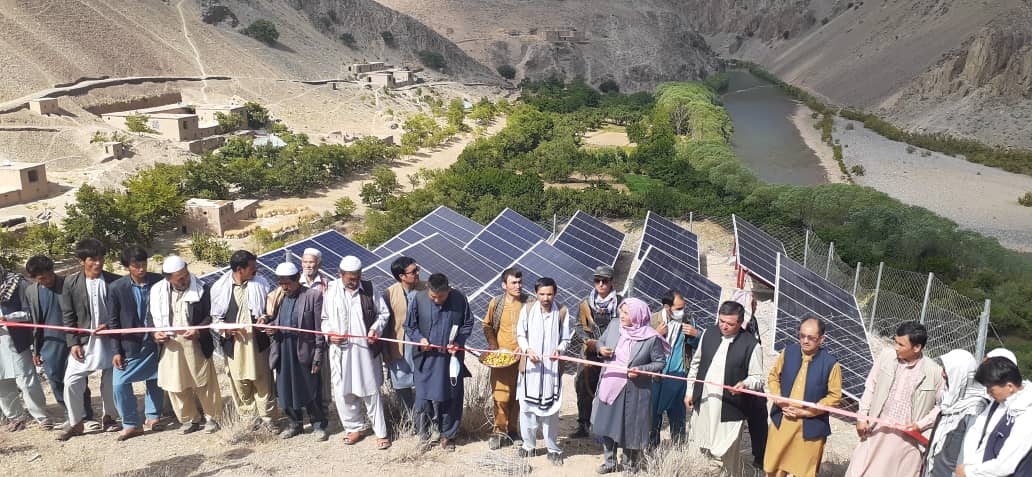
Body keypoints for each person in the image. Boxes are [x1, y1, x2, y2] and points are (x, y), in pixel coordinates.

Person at [845, 321, 944, 477]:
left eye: (901, 345)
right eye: (895, 342)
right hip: (876, 431)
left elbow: (942, 406)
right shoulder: (886, 357)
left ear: (917, 347)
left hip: (907, 443)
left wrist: (920, 425)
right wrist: (862, 417)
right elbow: (870, 386)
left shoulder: (934, 372)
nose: (896, 347)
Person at [684, 300, 765, 476]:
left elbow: (758, 378)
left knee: (729, 456)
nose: (724, 326)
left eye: (730, 324)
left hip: (731, 410)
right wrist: (690, 390)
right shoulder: (708, 334)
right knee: (701, 449)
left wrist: (745, 384)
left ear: (740, 323)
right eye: (721, 321)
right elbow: (696, 364)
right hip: (704, 404)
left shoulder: (751, 345)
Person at [321, 256, 392, 449]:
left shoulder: (369, 289)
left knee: (370, 391)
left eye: (357, 278)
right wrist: (330, 335)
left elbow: (383, 313)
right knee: (343, 391)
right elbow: (325, 318)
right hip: (340, 351)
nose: (355, 282)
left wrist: (375, 329)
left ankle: (381, 432)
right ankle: (354, 429)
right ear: (340, 275)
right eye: (351, 278)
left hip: (365, 352)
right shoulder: (331, 290)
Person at [592, 298, 669, 474]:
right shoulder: (614, 325)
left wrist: (641, 370)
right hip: (610, 386)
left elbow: (659, 362)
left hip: (634, 390)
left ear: (637, 315)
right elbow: (600, 342)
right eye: (622, 311)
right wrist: (601, 350)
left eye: (627, 313)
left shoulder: (650, 338)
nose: (622, 315)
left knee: (630, 429)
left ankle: (629, 465)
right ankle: (610, 462)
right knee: (608, 426)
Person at [57, 238, 121, 441]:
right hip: (84, 341)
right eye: (93, 259)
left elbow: (123, 313)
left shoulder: (115, 281)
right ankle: (76, 423)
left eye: (101, 258)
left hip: (112, 340)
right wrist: (73, 342)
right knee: (71, 381)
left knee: (111, 380)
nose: (98, 263)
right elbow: (68, 315)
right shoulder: (70, 283)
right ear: (82, 261)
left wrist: (110, 326)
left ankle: (109, 417)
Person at [150, 256, 223, 434]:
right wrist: (155, 333)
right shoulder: (157, 291)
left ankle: (213, 417)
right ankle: (189, 419)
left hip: (195, 343)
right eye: (179, 278)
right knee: (176, 384)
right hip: (170, 344)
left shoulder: (202, 289)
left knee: (203, 382)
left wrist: (198, 330)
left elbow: (209, 315)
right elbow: (150, 317)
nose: (185, 280)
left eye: (185, 275)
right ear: (169, 278)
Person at [763, 318, 842, 477]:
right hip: (783, 421)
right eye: (802, 336)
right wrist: (780, 400)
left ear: (821, 339)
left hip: (809, 428)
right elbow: (773, 377)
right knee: (774, 468)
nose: (805, 341)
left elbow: (835, 396)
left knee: (804, 472)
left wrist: (806, 412)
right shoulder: (788, 352)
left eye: (811, 338)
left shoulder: (831, 364)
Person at [404, 273, 473, 451]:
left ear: (448, 291)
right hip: (425, 359)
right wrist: (420, 339)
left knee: (451, 397)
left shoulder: (459, 299)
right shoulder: (419, 299)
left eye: (440, 297)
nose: (436, 300)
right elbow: (409, 326)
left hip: (450, 360)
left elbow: (467, 324)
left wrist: (459, 342)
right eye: (433, 296)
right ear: (428, 289)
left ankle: (447, 436)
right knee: (423, 399)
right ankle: (424, 436)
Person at [25, 255, 92, 426]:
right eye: (41, 279)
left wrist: (81, 339)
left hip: (73, 341)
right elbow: (34, 322)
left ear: (53, 271)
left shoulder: (69, 284)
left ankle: (86, 415)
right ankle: (69, 412)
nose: (46, 280)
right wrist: (36, 350)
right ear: (33, 278)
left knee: (77, 379)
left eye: (48, 276)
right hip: (48, 342)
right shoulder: (31, 292)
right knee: (55, 379)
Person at [210, 250, 275, 429]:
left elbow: (269, 311)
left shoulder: (261, 283)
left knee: (263, 381)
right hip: (235, 345)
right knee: (240, 383)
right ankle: (249, 419)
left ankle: (268, 419)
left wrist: (265, 318)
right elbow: (215, 319)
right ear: (240, 269)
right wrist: (226, 331)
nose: (256, 270)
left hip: (257, 344)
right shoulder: (220, 288)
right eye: (252, 268)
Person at [107, 245, 164, 440]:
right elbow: (113, 321)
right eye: (136, 265)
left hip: (157, 342)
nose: (141, 268)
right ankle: (131, 423)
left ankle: (153, 417)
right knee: (119, 384)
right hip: (130, 344)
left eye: (144, 263)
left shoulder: (160, 281)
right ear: (127, 267)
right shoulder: (116, 288)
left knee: (155, 379)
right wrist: (116, 350)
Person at [265, 262, 327, 440]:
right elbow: (278, 319)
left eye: (288, 283)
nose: (284, 287)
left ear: (297, 279)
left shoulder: (313, 296)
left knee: (311, 389)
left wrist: (317, 356)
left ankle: (318, 425)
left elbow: (318, 330)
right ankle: (295, 424)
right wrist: (272, 327)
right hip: (284, 350)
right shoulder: (280, 296)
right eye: (281, 283)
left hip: (304, 351)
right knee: (285, 389)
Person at [516, 277, 571, 466]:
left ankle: (553, 448)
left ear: (555, 293)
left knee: (550, 412)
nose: (545, 298)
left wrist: (560, 349)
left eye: (549, 294)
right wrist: (528, 350)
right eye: (542, 294)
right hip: (530, 369)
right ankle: (528, 445)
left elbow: (566, 339)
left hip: (551, 370)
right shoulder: (528, 309)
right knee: (527, 410)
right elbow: (520, 334)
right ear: (536, 293)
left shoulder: (562, 311)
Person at [484, 267, 534, 449]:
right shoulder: (496, 303)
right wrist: (493, 346)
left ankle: (513, 431)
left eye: (520, 282)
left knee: (518, 397)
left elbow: (537, 328)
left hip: (523, 359)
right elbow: (487, 325)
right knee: (500, 396)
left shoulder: (530, 303)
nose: (518, 286)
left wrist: (526, 345)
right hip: (502, 360)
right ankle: (498, 432)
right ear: (504, 285)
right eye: (514, 282)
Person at [957, 357, 1032, 477]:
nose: (988, 393)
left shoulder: (1027, 414)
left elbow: (1005, 465)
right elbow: (977, 431)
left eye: (991, 389)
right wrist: (969, 463)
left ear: (1010, 386)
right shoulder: (1001, 400)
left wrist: (969, 472)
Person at [572, 264, 623, 438]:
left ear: (611, 282)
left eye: (605, 281)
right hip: (589, 352)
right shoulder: (586, 304)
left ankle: (606, 427)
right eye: (597, 280)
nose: (601, 284)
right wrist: (589, 341)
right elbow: (578, 326)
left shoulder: (621, 303)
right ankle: (583, 424)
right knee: (583, 386)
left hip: (613, 353)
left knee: (609, 389)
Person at [0, 263, 50, 431]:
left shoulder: (17, 284)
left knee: (26, 380)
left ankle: (41, 417)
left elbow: (31, 312)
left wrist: (7, 317)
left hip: (16, 340)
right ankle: (15, 417)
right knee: (2, 382)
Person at [923, 350, 988, 477]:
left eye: (947, 370)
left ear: (960, 373)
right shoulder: (949, 403)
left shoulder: (974, 410)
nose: (942, 373)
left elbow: (967, 456)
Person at [649, 289, 697, 446]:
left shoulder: (688, 321)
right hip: (656, 377)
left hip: (678, 377)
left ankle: (678, 449)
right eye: (678, 308)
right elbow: (641, 346)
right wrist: (656, 334)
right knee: (653, 416)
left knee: (678, 416)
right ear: (666, 307)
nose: (682, 312)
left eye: (684, 307)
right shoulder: (653, 321)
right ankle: (651, 448)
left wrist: (695, 335)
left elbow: (699, 347)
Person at [382, 256, 424, 418]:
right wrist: (385, 351)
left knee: (423, 385)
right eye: (413, 271)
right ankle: (411, 419)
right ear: (402, 276)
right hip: (399, 348)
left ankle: (425, 419)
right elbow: (385, 324)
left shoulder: (426, 289)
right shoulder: (389, 294)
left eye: (417, 269)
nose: (417, 273)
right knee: (402, 386)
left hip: (422, 346)